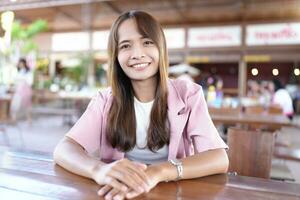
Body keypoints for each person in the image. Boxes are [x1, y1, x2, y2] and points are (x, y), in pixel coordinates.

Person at [53, 10, 228, 200]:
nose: (137, 54)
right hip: (119, 191)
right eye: (126, 46)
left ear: (161, 48)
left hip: (173, 191)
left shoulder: (188, 94)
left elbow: (218, 159)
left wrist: (158, 172)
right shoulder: (105, 100)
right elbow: (64, 149)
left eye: (147, 42)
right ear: (116, 56)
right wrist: (99, 170)